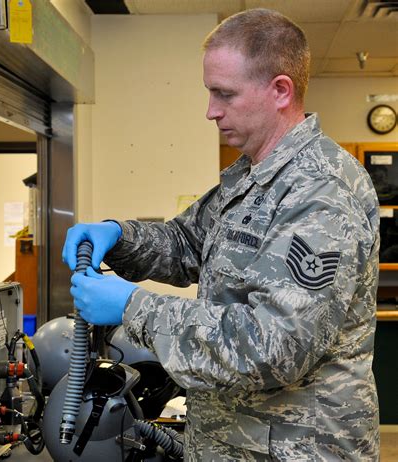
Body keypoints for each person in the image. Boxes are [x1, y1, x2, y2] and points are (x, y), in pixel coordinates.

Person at [63, 8, 380, 461]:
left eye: (224, 94)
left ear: (280, 91)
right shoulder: (252, 178)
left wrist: (134, 307)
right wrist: (119, 235)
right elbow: (185, 243)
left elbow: (274, 345)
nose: (211, 111)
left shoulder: (321, 190)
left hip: (295, 449)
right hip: (231, 442)